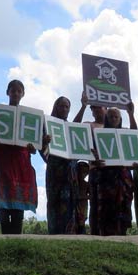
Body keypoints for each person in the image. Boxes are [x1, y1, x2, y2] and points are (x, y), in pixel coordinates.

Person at [0, 79, 39, 234]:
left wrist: (33, 148)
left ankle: (16, 235)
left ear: (23, 94)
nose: (16, 93)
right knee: (3, 199)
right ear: (7, 92)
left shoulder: (29, 118)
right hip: (4, 160)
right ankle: (5, 235)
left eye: (19, 91)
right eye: (13, 90)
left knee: (19, 201)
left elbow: (35, 146)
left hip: (22, 162)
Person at [90, 104, 137, 236]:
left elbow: (134, 136)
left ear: (120, 119)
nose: (114, 118)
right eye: (111, 116)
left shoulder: (126, 134)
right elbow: (93, 156)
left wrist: (131, 114)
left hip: (123, 178)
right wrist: (96, 161)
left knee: (124, 207)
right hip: (106, 177)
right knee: (106, 209)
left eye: (116, 116)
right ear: (107, 118)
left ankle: (122, 235)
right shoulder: (99, 135)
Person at [42, 96, 84, 234]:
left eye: (67, 107)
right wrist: (45, 141)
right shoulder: (47, 126)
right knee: (54, 202)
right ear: (56, 107)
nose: (64, 109)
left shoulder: (69, 128)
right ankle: (54, 234)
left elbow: (76, 127)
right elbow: (42, 150)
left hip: (69, 173)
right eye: (61, 106)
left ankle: (69, 234)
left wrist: (83, 106)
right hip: (55, 172)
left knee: (69, 201)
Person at [74, 92, 105, 232]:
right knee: (95, 203)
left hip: (113, 171)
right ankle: (95, 233)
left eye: (100, 107)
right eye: (94, 108)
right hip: (95, 170)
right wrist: (83, 106)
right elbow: (73, 127)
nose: (97, 110)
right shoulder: (89, 125)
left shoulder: (115, 126)